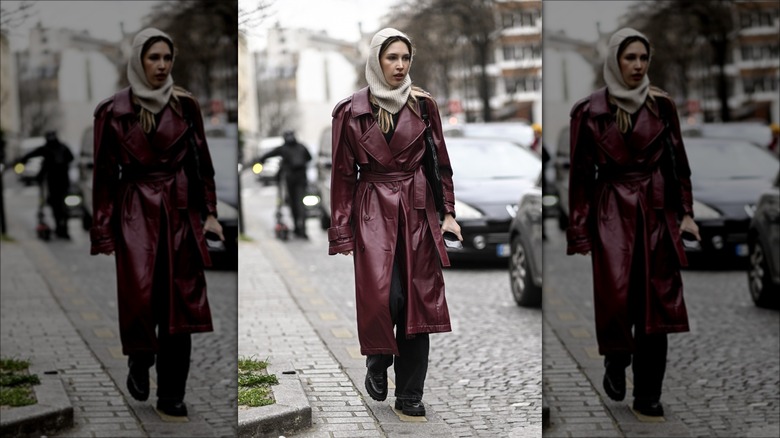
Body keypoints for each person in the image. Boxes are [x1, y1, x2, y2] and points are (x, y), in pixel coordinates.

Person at [328, 28, 462, 417]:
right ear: (376, 60)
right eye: (392, 58)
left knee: (418, 306)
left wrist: (448, 213)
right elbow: (341, 174)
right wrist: (342, 230)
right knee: (385, 298)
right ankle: (377, 357)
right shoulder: (349, 110)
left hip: (417, 210)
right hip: (371, 208)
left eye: (406, 58)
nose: (400, 65)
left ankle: (410, 395)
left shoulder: (424, 107)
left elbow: (440, 164)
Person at [567, 28, 701, 417]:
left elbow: (678, 165)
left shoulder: (663, 106)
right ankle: (615, 358)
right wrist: (579, 229)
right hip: (610, 211)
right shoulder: (588, 111)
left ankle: (648, 394)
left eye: (644, 58)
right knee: (616, 301)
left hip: (657, 213)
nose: (639, 65)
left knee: (656, 306)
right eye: (630, 58)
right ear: (615, 61)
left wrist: (686, 213)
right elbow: (579, 175)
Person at [90, 28, 224, 417]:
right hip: (133, 211)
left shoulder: (186, 106)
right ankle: (138, 357)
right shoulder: (111, 111)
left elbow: (202, 164)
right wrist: (103, 228)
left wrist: (210, 213)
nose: (162, 65)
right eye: (154, 58)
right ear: (138, 61)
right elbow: (102, 175)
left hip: (179, 212)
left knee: (179, 306)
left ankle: (171, 393)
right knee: (139, 300)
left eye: (168, 58)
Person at [16, 130, 74, 239]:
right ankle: (62, 229)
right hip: (61, 182)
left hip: (56, 183)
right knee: (60, 207)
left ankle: (61, 228)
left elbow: (30, 155)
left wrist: (21, 161)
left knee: (58, 206)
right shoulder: (61, 148)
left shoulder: (49, 149)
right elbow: (71, 158)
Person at [257, 130, 312, 238]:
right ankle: (302, 229)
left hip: (290, 179)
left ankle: (297, 227)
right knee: (300, 204)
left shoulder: (283, 148)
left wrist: (259, 161)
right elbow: (309, 158)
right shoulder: (301, 147)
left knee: (293, 204)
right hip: (301, 179)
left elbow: (268, 155)